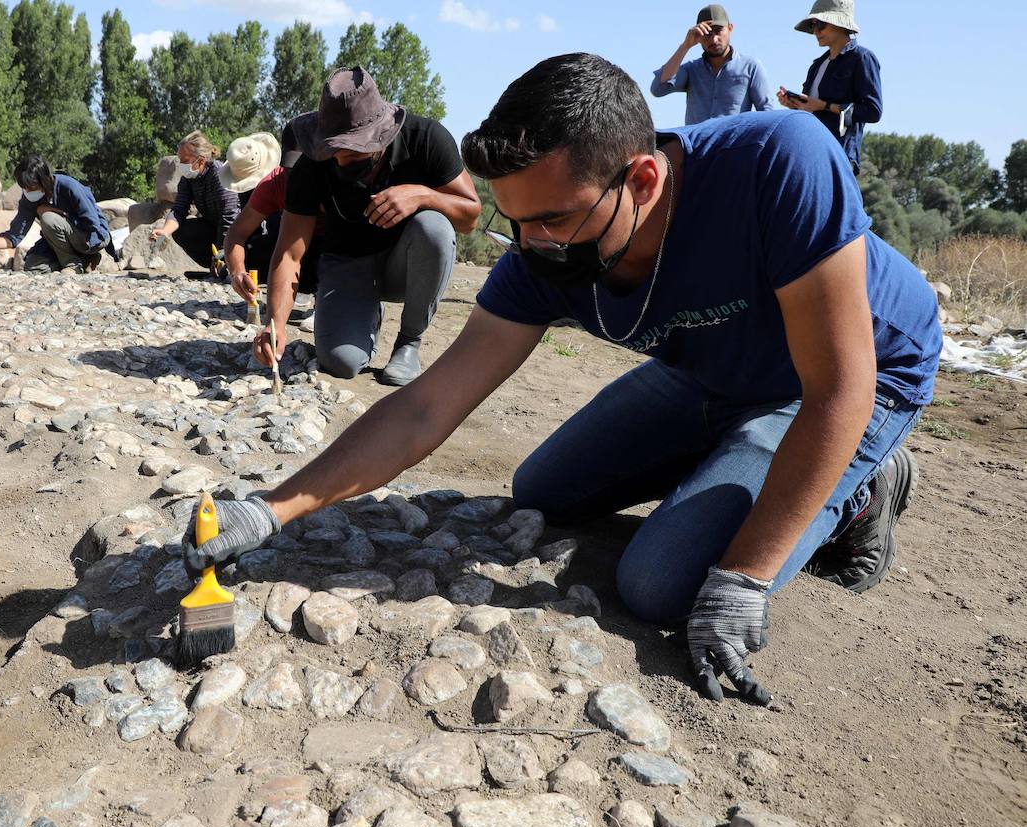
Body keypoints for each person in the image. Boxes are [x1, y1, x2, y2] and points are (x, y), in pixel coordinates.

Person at [181, 54, 941, 706]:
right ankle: (738, 457)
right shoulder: (545, 245)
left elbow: (842, 386)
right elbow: (426, 407)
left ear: (641, 179)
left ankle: (864, 489)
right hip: (710, 369)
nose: (533, 246)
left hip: (847, 379)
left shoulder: (778, 161)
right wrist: (271, 511)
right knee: (543, 491)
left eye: (552, 221)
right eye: (517, 224)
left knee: (661, 586)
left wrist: (744, 576)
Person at [259, 67, 481, 387]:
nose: (339, 162)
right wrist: (275, 324)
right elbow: (289, 254)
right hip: (346, 263)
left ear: (380, 137)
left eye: (351, 153)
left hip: (405, 265)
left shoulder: (426, 139)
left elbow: (470, 216)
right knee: (341, 362)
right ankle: (365, 314)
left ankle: (408, 342)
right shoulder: (312, 164)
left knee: (434, 227)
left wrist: (422, 195)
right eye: (332, 151)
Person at [222, 118, 323, 311]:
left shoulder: (342, 178)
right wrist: (237, 272)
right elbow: (236, 234)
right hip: (297, 251)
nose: (301, 178)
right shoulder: (275, 184)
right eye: (294, 171)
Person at [778, 0, 882, 174]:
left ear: (840, 23)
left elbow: (872, 111)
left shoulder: (862, 58)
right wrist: (795, 105)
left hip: (840, 156)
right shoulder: (817, 65)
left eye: (820, 24)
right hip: (809, 153)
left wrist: (825, 106)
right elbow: (810, 108)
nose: (815, 31)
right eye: (812, 25)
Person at [0, 155, 109, 273]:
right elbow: (15, 234)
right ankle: (86, 260)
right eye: (24, 187)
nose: (27, 191)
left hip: (93, 236)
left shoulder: (69, 187)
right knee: (33, 267)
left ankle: (73, 265)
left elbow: (92, 224)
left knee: (48, 218)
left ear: (45, 181)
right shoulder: (29, 199)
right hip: (62, 241)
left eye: (31, 187)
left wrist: (54, 211)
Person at [651, 4, 775, 124]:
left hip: (734, 144)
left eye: (718, 31)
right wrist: (685, 46)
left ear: (730, 28)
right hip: (696, 144)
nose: (713, 39)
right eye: (707, 33)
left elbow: (767, 114)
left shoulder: (750, 66)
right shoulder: (691, 70)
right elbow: (658, 89)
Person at [151, 131, 239, 273]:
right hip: (213, 226)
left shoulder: (219, 174)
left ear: (201, 159)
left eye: (185, 160)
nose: (181, 165)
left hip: (237, 231)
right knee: (181, 231)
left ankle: (226, 262)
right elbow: (179, 209)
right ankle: (215, 265)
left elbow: (229, 215)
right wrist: (165, 231)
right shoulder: (188, 179)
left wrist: (222, 252)